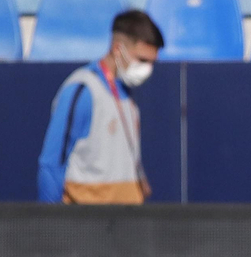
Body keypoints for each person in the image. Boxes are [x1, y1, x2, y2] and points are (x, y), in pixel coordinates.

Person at [37, 10, 163, 204]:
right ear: (117, 48)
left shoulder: (128, 94)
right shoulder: (82, 90)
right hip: (88, 224)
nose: (147, 69)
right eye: (142, 60)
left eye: (152, 63)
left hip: (125, 223)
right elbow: (51, 164)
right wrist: (50, 226)